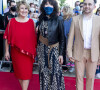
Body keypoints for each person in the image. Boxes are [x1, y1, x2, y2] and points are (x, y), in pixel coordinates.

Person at [67, 0, 100, 90]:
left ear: (94, 6)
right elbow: (70, 38)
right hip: (78, 52)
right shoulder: (75, 19)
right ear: (82, 5)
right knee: (79, 77)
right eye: (85, 4)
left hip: (93, 53)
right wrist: (69, 53)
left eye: (90, 4)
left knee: (90, 77)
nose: (87, 6)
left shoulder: (99, 20)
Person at [3, 1, 37, 90]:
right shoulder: (12, 22)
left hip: (28, 53)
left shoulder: (31, 22)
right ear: (18, 9)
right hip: (16, 53)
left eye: (26, 8)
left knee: (26, 74)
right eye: (22, 8)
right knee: (19, 74)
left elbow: (34, 38)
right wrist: (6, 51)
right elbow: (7, 37)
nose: (24, 10)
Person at [37, 0, 65, 89]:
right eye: (46, 4)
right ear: (43, 6)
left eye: (50, 4)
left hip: (54, 50)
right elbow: (38, 35)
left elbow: (62, 38)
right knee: (43, 72)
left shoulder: (59, 19)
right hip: (42, 50)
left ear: (54, 6)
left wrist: (61, 54)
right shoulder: (40, 18)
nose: (48, 6)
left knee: (55, 72)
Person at [62, 6, 74, 72]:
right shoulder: (63, 19)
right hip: (65, 38)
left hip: (71, 38)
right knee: (67, 52)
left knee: (71, 51)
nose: (62, 12)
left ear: (67, 11)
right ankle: (68, 64)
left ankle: (72, 65)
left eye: (63, 11)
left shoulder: (72, 19)